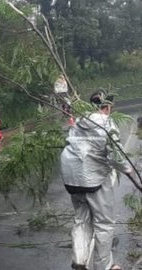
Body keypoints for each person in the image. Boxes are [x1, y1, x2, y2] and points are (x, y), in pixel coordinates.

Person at [60, 91, 133, 270]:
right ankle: (104, 266)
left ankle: (79, 260)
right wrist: (128, 169)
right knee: (104, 223)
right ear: (107, 107)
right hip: (93, 180)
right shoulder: (107, 123)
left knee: (81, 220)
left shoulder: (79, 121)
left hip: (71, 177)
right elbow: (117, 156)